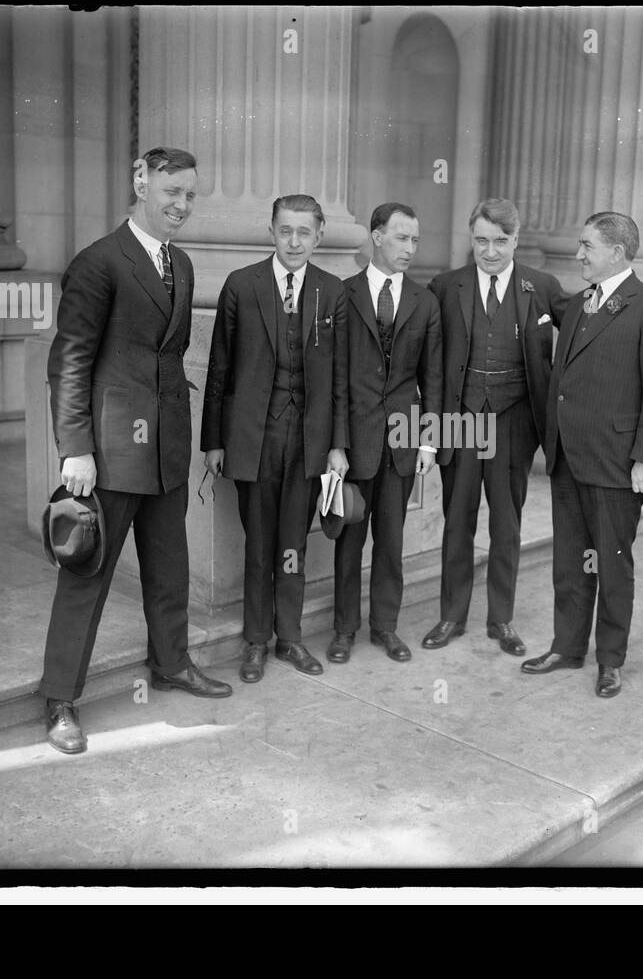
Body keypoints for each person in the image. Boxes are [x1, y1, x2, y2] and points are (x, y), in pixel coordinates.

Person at [41, 146, 232, 755]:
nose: (181, 205)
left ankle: (172, 664)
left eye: (190, 196)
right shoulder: (98, 263)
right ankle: (60, 699)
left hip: (167, 450)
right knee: (87, 574)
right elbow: (68, 360)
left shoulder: (183, 263)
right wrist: (75, 448)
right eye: (171, 191)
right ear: (141, 183)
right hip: (110, 451)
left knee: (169, 568)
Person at [522, 211, 643, 698]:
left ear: (616, 251)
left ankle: (610, 659)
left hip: (616, 463)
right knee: (571, 560)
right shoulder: (582, 302)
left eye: (587, 246)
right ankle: (567, 647)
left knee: (612, 564)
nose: (579, 254)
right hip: (569, 457)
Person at [201, 194, 350, 683]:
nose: (294, 241)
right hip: (253, 438)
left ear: (319, 235)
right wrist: (214, 441)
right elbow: (219, 368)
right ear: (271, 231)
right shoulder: (242, 286)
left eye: (304, 232)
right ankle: (255, 642)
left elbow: (341, 379)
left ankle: (290, 637)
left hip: (307, 443)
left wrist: (337, 446)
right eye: (285, 230)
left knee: (293, 544)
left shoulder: (332, 293)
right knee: (259, 543)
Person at [421, 198, 565, 658]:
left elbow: (586, 333)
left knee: (507, 524)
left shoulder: (541, 287)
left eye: (500, 241)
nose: (490, 250)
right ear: (471, 238)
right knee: (457, 520)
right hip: (460, 421)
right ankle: (451, 616)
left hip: (514, 422)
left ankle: (501, 618)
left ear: (516, 240)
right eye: (481, 240)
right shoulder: (446, 286)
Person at [327, 203, 442, 664]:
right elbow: (334, 377)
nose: (409, 248)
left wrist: (429, 441)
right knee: (348, 542)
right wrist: (336, 444)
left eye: (414, 240)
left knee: (392, 542)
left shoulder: (425, 300)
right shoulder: (343, 294)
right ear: (376, 237)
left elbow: (433, 377)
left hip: (403, 441)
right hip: (354, 441)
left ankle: (386, 627)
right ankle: (343, 630)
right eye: (400, 238)